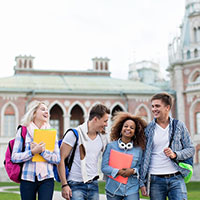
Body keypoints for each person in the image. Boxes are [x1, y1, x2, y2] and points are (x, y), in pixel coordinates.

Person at [140, 92, 195, 200]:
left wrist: (175, 154)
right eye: (152, 106)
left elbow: (191, 149)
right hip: (155, 179)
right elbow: (143, 156)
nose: (154, 109)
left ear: (167, 107)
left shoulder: (179, 126)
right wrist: (142, 182)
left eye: (157, 106)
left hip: (176, 177)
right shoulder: (148, 129)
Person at [58, 103, 110, 200]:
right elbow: (60, 159)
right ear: (95, 119)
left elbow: (110, 157)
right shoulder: (74, 134)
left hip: (94, 184)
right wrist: (64, 185)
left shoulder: (103, 138)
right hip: (75, 184)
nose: (106, 124)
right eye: (105, 121)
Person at [11, 101, 60, 200]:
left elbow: (57, 158)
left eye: (47, 110)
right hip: (27, 178)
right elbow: (14, 157)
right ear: (34, 113)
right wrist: (32, 152)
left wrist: (42, 152)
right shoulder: (23, 131)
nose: (46, 112)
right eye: (43, 109)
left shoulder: (51, 132)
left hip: (47, 178)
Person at [101, 112, 146, 200]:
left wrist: (133, 171)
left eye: (132, 127)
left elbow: (141, 167)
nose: (128, 129)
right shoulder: (110, 146)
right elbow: (104, 167)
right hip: (112, 189)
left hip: (131, 189)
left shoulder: (139, 150)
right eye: (126, 126)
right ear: (121, 129)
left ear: (135, 132)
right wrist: (118, 172)